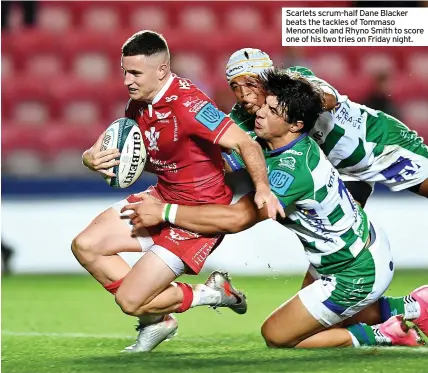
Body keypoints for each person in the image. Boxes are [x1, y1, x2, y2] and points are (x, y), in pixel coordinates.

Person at [127, 69, 428, 348]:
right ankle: (414, 306)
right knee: (318, 319)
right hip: (358, 250)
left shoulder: (289, 170)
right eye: (265, 105)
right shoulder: (286, 145)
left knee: (278, 336)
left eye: (272, 111)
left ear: (296, 125)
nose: (260, 113)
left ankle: (385, 334)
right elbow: (219, 163)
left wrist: (165, 212)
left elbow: (236, 219)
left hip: (353, 269)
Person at [73, 31, 284, 353]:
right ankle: (157, 321)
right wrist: (90, 157)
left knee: (131, 301)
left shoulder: (189, 104)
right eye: (124, 72)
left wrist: (263, 189)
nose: (127, 80)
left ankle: (211, 294)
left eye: (135, 73)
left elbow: (245, 143)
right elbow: (113, 144)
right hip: (161, 197)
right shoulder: (139, 103)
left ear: (161, 70)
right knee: (86, 246)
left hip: (197, 217)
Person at [225, 48, 428, 208]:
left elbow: (329, 99)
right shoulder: (241, 119)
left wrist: (291, 103)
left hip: (376, 143)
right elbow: (224, 160)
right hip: (339, 170)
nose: (243, 94)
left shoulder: (295, 81)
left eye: (250, 83)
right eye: (235, 87)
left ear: (266, 78)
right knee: (344, 235)